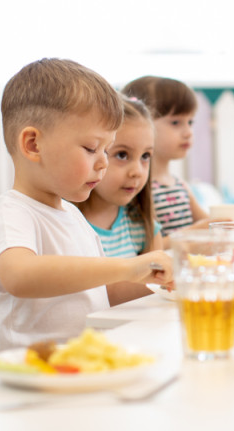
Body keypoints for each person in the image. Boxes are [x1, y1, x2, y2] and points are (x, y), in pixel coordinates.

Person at [0, 59, 173, 353]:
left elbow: (101, 293)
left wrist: (155, 278)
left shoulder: (73, 216)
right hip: (35, 380)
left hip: (83, 367)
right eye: (92, 149)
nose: (102, 161)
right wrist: (127, 266)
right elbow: (21, 276)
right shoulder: (10, 214)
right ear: (33, 145)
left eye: (106, 149)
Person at [122, 76, 234, 246]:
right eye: (175, 122)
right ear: (142, 123)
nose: (188, 132)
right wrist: (194, 232)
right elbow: (146, 247)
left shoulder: (180, 186)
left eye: (190, 122)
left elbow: (213, 224)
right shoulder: (138, 189)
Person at [76, 96, 163, 303]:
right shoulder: (67, 225)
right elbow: (99, 296)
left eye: (145, 156)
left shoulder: (142, 226)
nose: (137, 172)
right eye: (122, 155)